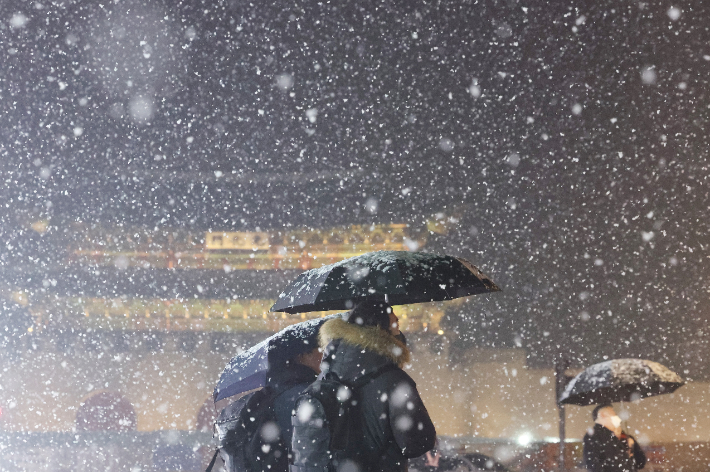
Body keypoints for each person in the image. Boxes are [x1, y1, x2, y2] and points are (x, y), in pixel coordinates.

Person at [307, 300, 437, 472]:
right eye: (396, 324)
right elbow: (416, 443)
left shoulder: (326, 375)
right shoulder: (394, 381)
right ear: (380, 329)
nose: (399, 330)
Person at [583, 403, 646, 472]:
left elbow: (639, 463)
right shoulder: (594, 436)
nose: (616, 417)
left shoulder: (621, 437)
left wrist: (631, 450)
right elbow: (593, 465)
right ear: (602, 415)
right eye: (613, 413)